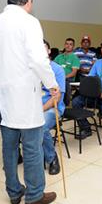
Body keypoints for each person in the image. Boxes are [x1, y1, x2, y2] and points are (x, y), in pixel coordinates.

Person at [0, 0, 59, 204]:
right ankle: (34, 195)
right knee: (32, 147)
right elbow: (38, 60)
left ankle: (14, 192)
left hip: (2, 97)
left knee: (9, 147)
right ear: (28, 1)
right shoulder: (29, 21)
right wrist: (52, 84)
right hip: (24, 96)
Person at [42, 40, 65, 175]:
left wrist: (40, 109)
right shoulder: (31, 69)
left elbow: (57, 97)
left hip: (53, 107)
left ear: (49, 51)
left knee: (41, 125)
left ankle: (52, 158)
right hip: (33, 107)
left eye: (43, 49)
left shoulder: (57, 69)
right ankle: (21, 155)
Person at [54, 38, 80, 106]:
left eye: (70, 44)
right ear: (64, 45)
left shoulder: (75, 58)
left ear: (73, 46)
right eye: (66, 44)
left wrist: (63, 77)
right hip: (57, 77)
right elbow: (52, 67)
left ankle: (64, 103)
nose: (68, 46)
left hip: (68, 79)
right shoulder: (59, 56)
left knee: (64, 82)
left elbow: (74, 73)